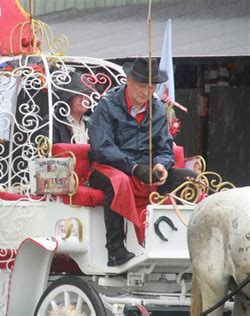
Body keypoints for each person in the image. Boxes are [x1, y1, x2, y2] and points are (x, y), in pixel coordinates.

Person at [87, 57, 195, 266]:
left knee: (188, 178)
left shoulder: (159, 110)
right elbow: (102, 148)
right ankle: (115, 250)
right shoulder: (107, 105)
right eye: (141, 85)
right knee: (119, 181)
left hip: (146, 168)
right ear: (128, 80)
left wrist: (161, 165)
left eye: (151, 87)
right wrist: (134, 167)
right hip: (109, 168)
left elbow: (166, 147)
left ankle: (178, 241)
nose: (145, 92)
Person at [50, 71, 91, 144]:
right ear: (69, 97)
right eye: (78, 94)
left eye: (87, 95)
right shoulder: (53, 123)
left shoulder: (92, 124)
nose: (83, 100)